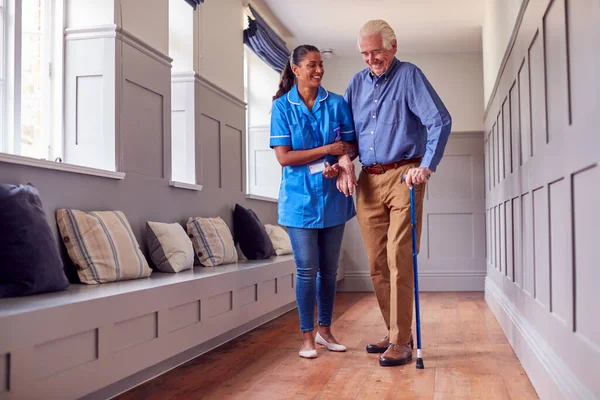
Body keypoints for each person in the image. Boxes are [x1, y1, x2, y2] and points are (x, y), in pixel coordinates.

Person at [337, 20, 452, 367]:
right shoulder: (356, 84)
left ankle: (401, 341)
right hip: (368, 181)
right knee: (376, 265)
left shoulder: (409, 76)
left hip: (405, 175)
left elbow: (440, 121)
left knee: (398, 257)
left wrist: (426, 166)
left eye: (376, 51)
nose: (371, 58)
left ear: (393, 47)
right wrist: (343, 159)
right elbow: (349, 135)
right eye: (365, 53)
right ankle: (395, 330)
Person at [270, 44, 357, 359]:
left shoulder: (336, 103)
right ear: (296, 69)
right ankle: (307, 338)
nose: (319, 70)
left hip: (333, 197)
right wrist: (327, 151)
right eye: (312, 65)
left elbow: (349, 145)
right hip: (299, 202)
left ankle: (325, 331)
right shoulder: (282, 107)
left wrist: (342, 160)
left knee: (329, 270)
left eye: (321, 64)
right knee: (307, 269)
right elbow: (285, 157)